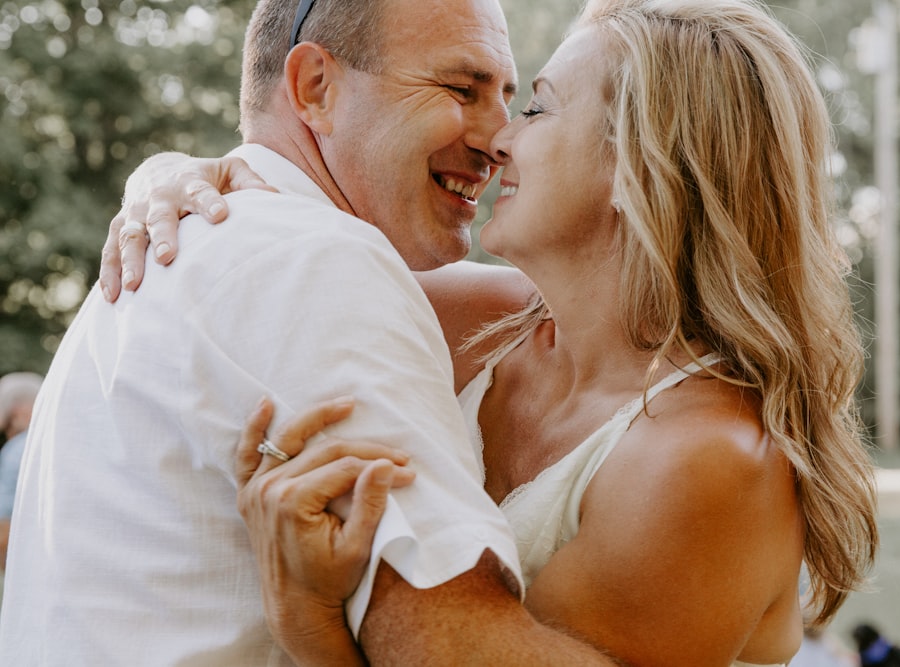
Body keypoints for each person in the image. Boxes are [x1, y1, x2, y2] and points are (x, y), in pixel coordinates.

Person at [101, 0, 880, 664]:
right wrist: (171, 174)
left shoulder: (703, 460)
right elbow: (287, 230)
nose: (498, 138)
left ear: (641, 161)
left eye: (535, 106)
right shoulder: (479, 318)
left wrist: (309, 621)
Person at [0, 0, 620, 665]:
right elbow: (450, 643)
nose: (499, 138)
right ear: (315, 88)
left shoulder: (204, 242)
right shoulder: (312, 261)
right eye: (460, 89)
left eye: (512, 98)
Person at [0, 371, 43, 570]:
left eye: (8, 424)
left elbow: (4, 527)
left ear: (18, 413)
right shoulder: (71, 446)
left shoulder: (16, 450)